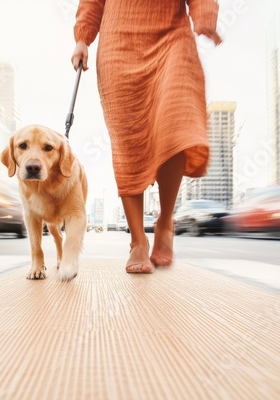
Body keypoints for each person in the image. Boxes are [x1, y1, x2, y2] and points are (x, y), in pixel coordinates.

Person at [71, 0, 221, 273]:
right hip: (119, 43)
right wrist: (83, 39)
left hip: (172, 36)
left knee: (176, 121)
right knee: (128, 141)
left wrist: (204, 15)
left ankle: (165, 221)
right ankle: (137, 241)